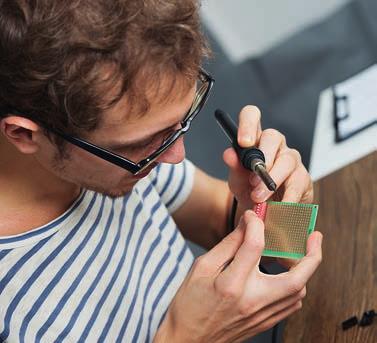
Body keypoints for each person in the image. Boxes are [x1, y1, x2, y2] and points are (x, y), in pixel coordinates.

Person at [0, 0, 322, 342]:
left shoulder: (119, 163)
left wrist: (276, 207)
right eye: (144, 142)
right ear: (23, 134)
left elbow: (221, 220)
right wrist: (187, 336)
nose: (176, 156)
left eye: (179, 124)